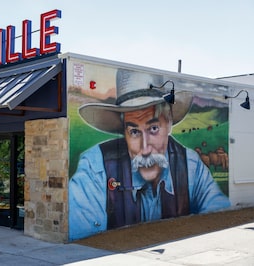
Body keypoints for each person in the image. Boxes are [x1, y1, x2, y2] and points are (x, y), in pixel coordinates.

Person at [69, 69, 231, 241]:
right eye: (134, 132)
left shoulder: (190, 165)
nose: (145, 149)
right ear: (123, 131)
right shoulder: (96, 167)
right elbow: (82, 235)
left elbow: (217, 214)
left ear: (168, 124)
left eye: (153, 129)